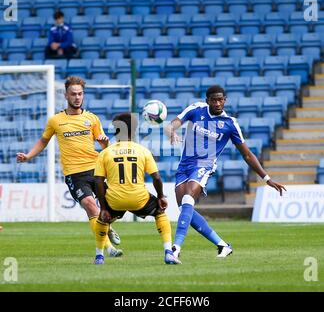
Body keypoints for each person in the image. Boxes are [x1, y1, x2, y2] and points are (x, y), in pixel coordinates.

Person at [166, 85, 286, 260]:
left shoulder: (230, 124)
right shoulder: (195, 109)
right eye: (213, 100)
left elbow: (247, 154)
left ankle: (175, 249)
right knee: (185, 209)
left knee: (188, 198)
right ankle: (223, 245)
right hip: (184, 165)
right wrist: (171, 133)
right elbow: (171, 125)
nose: (217, 103)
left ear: (225, 100)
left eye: (220, 99)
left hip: (204, 166)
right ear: (207, 100)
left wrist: (266, 178)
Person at [16, 76, 122, 258]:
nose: (77, 97)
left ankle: (108, 225)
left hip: (96, 169)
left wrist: (105, 144)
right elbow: (43, 141)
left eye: (80, 94)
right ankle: (109, 247)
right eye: (73, 94)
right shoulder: (56, 121)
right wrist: (28, 156)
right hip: (75, 174)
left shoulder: (92, 119)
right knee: (90, 205)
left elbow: (105, 148)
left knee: (111, 208)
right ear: (66, 95)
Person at [93, 112, 181, 265]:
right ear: (134, 130)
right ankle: (168, 252)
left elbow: (98, 181)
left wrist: (104, 207)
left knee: (102, 220)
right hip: (139, 199)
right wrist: (161, 196)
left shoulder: (106, 153)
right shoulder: (143, 151)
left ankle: (99, 257)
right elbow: (157, 178)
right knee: (160, 212)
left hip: (115, 200)